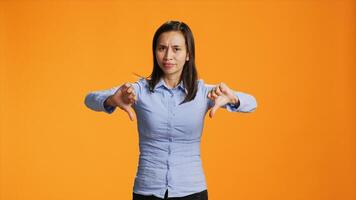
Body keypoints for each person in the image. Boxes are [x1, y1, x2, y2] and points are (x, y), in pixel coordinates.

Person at [84, 20, 257, 200]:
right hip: (147, 190)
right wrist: (111, 100)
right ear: (155, 52)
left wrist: (234, 98)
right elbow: (89, 99)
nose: (168, 56)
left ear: (188, 54)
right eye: (161, 48)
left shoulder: (204, 93)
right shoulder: (137, 91)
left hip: (192, 191)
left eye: (176, 49)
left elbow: (252, 103)